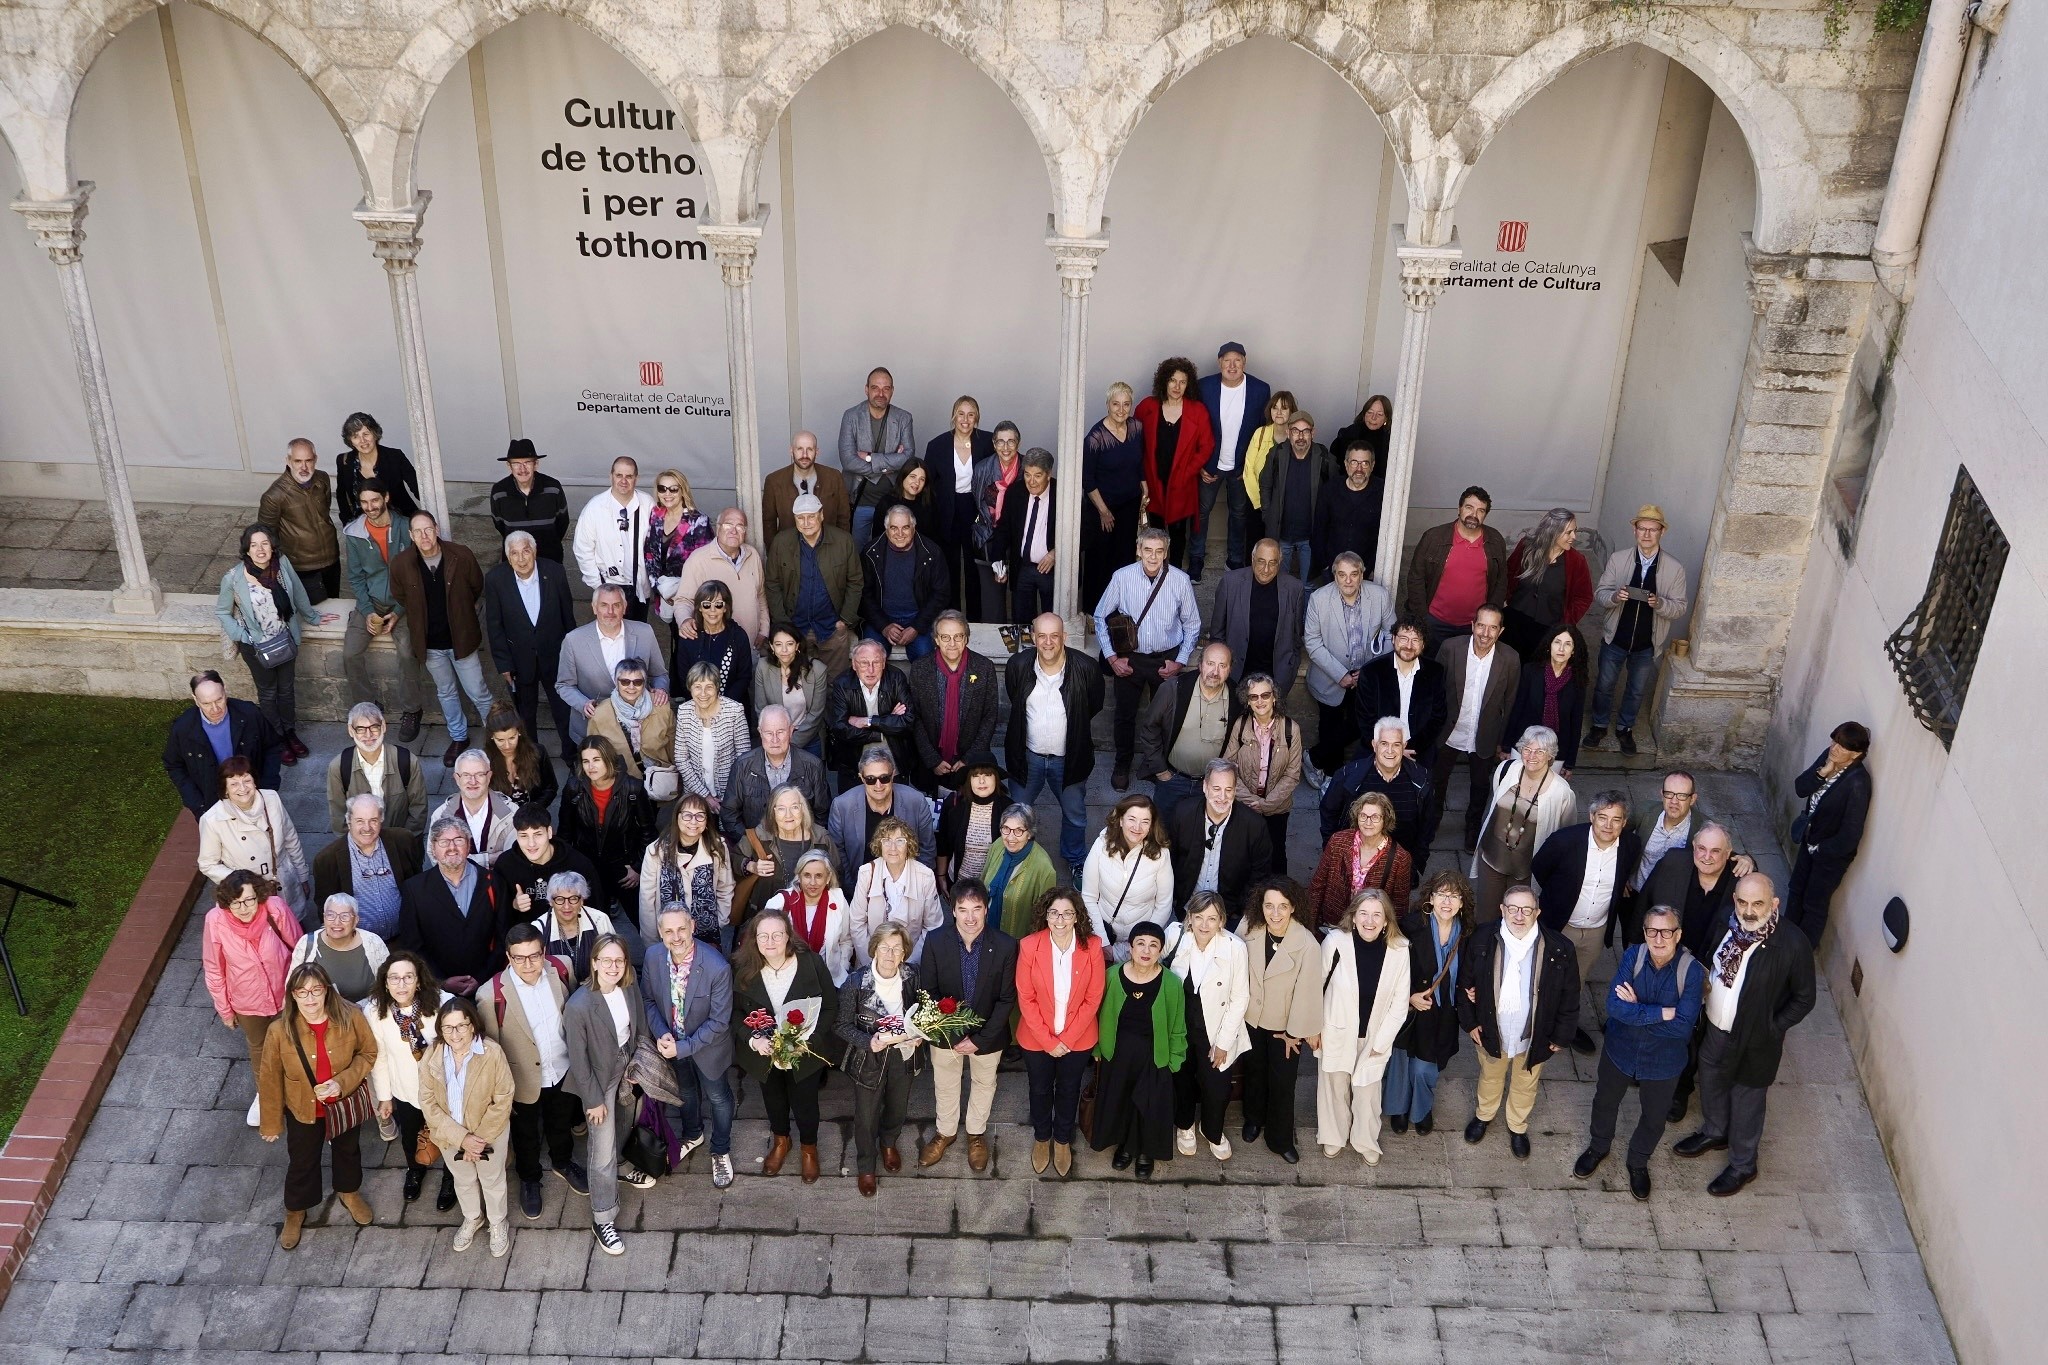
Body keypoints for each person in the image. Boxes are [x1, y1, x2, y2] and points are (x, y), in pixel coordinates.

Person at [1672, 873, 1817, 1196]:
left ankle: (1742, 1164)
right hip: (1714, 1027)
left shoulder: (1792, 943)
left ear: (1774, 904)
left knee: (1747, 1099)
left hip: (1756, 1041)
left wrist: (1773, 1027)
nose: (1749, 911)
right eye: (1743, 902)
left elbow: (1805, 998)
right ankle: (1715, 1130)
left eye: (1758, 903)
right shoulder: (1728, 924)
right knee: (1710, 1079)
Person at [1574, 905, 1705, 1200]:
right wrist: (1663, 1013)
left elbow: (1683, 1029)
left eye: (1666, 931)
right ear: (1645, 933)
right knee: (1605, 1101)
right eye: (1652, 931)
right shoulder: (1634, 956)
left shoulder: (1692, 972)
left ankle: (1638, 1162)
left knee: (1654, 1116)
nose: (1659, 939)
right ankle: (1598, 1147)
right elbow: (1614, 1008)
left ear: (1678, 934)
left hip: (1664, 1063)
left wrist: (1637, 1012)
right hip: (1620, 1051)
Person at [257, 962, 377, 1249]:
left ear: (327, 991)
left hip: (343, 1103)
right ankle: (296, 1210)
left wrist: (342, 1082)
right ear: (293, 996)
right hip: (302, 1108)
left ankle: (349, 1192)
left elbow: (368, 1052)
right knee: (302, 1160)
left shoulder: (351, 1016)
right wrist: (271, 1122)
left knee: (348, 1151)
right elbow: (270, 1078)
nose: (310, 999)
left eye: (316, 991)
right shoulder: (279, 1030)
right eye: (302, 992)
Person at [1458, 884, 1579, 1159]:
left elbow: (1570, 997)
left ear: (1537, 912)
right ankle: (1484, 1115)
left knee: (1526, 1082)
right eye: (1512, 908)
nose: (1519, 915)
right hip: (1492, 1029)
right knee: (1490, 1076)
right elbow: (1464, 985)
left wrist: (1561, 1037)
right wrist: (1469, 1023)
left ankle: (1517, 1125)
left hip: (1534, 1034)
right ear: (1502, 910)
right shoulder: (1481, 939)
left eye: (1526, 909)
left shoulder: (1560, 948)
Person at [476, 922, 587, 1219]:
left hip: (562, 1067)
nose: (529, 964)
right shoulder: (491, 995)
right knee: (525, 1133)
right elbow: (491, 1051)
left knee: (561, 1120)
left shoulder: (561, 968)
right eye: (520, 958)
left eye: (534, 956)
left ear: (544, 952)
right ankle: (529, 1179)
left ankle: (562, 1161)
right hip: (522, 1079)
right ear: (509, 958)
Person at [1640, 821, 1742, 1123]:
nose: (1707, 856)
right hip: (1665, 961)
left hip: (1706, 972)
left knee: (1690, 1033)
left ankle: (1679, 1090)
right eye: (1701, 848)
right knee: (1654, 1016)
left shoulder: (1739, 880)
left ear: (1729, 854)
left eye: (1715, 851)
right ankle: (1646, 1068)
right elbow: (1646, 903)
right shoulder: (1674, 862)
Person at [563, 932, 658, 1254]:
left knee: (625, 1120)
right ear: (594, 964)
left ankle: (621, 1165)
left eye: (619, 960)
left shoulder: (629, 986)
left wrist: (642, 1066)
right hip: (597, 1077)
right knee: (600, 1149)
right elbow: (578, 1058)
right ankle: (603, 1217)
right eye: (606, 960)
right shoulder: (579, 1006)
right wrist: (592, 1102)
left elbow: (640, 1027)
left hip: (626, 1064)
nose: (613, 966)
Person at [728, 908, 839, 1181]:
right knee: (774, 1100)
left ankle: (809, 1148)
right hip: (764, 1053)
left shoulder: (810, 963)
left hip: (804, 1051)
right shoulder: (743, 968)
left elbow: (830, 1006)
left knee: (806, 1104)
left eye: (777, 934)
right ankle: (781, 1141)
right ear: (753, 938)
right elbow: (731, 1012)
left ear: (788, 936)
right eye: (763, 935)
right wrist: (752, 1038)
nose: (770, 941)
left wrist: (809, 1040)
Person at [915, 880, 1017, 1172]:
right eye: (963, 910)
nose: (970, 917)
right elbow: (929, 991)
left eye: (977, 909)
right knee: (945, 1084)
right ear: (953, 911)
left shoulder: (1006, 945)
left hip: (989, 1035)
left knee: (984, 1084)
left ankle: (975, 1134)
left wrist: (979, 1039)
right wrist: (954, 1032)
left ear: (987, 909)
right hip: (945, 1032)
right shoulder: (935, 941)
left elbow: (1007, 998)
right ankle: (945, 1132)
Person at [1531, 791, 1643, 1054]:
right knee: (1542, 975)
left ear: (1624, 823)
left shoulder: (1630, 846)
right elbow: (1540, 867)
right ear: (1592, 816)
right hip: (1561, 925)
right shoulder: (1564, 841)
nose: (1608, 825)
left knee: (1576, 981)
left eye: (1616, 819)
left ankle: (1564, 1028)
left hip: (1596, 929)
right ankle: (1534, 1022)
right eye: (1602, 817)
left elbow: (1623, 876)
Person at [1097, 528, 1203, 790]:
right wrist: (1112, 658)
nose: (1153, 557)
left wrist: (1179, 661)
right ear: (1138, 550)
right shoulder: (1122, 577)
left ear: (1166, 553)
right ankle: (1122, 764)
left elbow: (1193, 624)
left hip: (1164, 660)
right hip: (1130, 659)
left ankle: (1157, 765)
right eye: (1148, 550)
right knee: (1124, 716)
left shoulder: (1180, 580)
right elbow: (1100, 616)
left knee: (1164, 718)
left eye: (1159, 551)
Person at [388, 512, 495, 767]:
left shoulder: (460, 555)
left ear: (436, 529)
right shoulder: (402, 564)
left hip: (462, 639)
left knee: (478, 691)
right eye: (418, 532)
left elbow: (476, 586)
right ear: (411, 536)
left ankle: (497, 737)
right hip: (431, 645)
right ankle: (459, 737)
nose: (424, 536)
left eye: (428, 529)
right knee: (446, 692)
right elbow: (401, 596)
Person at [642, 904, 738, 1186]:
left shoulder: (717, 967)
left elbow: (720, 1022)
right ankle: (693, 1133)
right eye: (668, 930)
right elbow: (648, 1000)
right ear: (660, 932)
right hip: (672, 1043)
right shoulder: (652, 956)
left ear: (693, 927)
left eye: (681, 928)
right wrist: (661, 1033)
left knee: (718, 1097)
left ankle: (720, 1149)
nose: (676, 936)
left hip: (708, 1048)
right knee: (685, 1092)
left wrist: (682, 1048)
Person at [215, 523, 327, 761]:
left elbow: (297, 592)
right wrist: (243, 636)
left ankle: (290, 733)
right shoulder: (233, 578)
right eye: (254, 545)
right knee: (268, 693)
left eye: (264, 543)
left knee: (286, 691)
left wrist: (313, 617)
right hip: (256, 647)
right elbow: (223, 612)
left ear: (272, 546)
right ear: (246, 550)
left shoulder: (282, 565)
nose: (260, 549)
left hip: (285, 639)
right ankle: (277, 739)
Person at [1314, 889, 1410, 1164]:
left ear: (1386, 921)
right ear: (1353, 917)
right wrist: (1315, 1029)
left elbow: (1399, 1004)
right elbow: (1316, 988)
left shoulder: (1399, 950)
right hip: (1335, 1030)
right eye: (1364, 914)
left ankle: (1365, 1139)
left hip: (1374, 1037)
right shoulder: (1334, 942)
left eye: (1377, 915)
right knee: (1333, 1088)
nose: (1370, 921)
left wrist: (1381, 1043)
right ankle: (1333, 1136)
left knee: (1368, 1094)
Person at [204, 870, 305, 1127]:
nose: (243, 908)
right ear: (226, 902)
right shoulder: (215, 921)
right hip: (247, 1002)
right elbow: (214, 968)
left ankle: (301, 1096)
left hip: (286, 996)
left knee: (296, 1044)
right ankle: (267, 1096)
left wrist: (300, 991)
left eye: (249, 900)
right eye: (236, 902)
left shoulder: (275, 908)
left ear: (258, 895)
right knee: (260, 1049)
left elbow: (300, 949)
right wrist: (225, 1010)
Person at [1015, 889, 1105, 1177]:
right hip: (1036, 1038)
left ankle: (1063, 1139)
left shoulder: (1092, 946)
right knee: (1039, 1089)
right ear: (1046, 915)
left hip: (1077, 1039)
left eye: (1067, 913)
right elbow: (1025, 997)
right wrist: (1047, 1041)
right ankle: (1042, 1138)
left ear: (1077, 917)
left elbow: (1094, 997)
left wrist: (1065, 1040)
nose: (1060, 919)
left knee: (1068, 1089)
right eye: (1054, 912)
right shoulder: (1030, 946)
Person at [1004, 613, 1103, 875]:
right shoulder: (1018, 665)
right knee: (1018, 815)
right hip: (1028, 757)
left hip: (1068, 759)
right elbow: (1015, 698)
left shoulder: (1086, 668)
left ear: (1064, 638)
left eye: (1054, 636)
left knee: (1075, 816)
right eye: (1042, 636)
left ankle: (1074, 859)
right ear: (1033, 637)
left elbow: (1092, 705)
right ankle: (1021, 859)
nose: (1048, 642)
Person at [1586, 505, 1689, 754]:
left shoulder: (1674, 568)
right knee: (1604, 684)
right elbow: (1600, 594)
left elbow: (1680, 608)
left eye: (1653, 529)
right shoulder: (1618, 559)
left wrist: (1660, 603)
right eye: (1642, 528)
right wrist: (1615, 597)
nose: (1647, 534)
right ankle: (1599, 726)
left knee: (1635, 690)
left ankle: (1625, 729)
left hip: (1647, 643)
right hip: (1615, 637)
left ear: (1661, 532)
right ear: (1634, 530)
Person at [1088, 920, 1188, 1180]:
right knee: (1121, 1101)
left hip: (1154, 1055)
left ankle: (1145, 1152)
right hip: (1118, 1053)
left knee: (1149, 1105)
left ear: (1160, 951)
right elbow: (1097, 1014)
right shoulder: (1111, 975)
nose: (1146, 950)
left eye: (1153, 945)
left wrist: (1175, 1060)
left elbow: (1178, 1024)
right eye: (1140, 943)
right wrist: (1097, 1047)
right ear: (1130, 948)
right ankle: (1125, 1147)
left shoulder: (1171, 983)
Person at [418, 996, 516, 1256]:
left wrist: (478, 1140)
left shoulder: (491, 1053)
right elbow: (428, 1102)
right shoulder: (432, 1056)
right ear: (440, 1030)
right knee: (463, 1180)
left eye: (461, 1026)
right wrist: (463, 1139)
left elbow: (504, 1097)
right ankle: (473, 1217)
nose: (455, 1033)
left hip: (489, 1134)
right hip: (450, 1138)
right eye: (448, 1028)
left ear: (472, 1025)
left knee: (492, 1180)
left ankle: (497, 1222)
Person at [838, 922, 928, 1195]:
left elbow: (922, 1011)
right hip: (869, 1059)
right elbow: (841, 1026)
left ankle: (888, 1143)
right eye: (885, 947)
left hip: (904, 1054)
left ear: (904, 954)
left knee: (897, 1106)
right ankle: (866, 1164)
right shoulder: (856, 983)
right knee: (866, 1115)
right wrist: (869, 1042)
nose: (890, 954)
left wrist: (921, 1034)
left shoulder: (912, 976)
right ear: (874, 949)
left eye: (897, 949)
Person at [1238, 879, 1321, 1162]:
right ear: (1260, 906)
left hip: (1284, 1028)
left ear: (1293, 908)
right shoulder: (1249, 927)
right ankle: (1253, 1119)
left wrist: (1294, 1032)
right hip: (1251, 1020)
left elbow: (1308, 991)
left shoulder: (1307, 944)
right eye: (1269, 906)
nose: (1275, 913)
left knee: (1283, 1084)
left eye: (1283, 907)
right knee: (1254, 1073)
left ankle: (1280, 1138)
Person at [1386, 871, 1474, 1135]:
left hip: (1444, 1012)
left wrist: (1474, 991)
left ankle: (1421, 1109)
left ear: (1462, 903)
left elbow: (1474, 971)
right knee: (1401, 1062)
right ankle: (1399, 1108)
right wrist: (1410, 995)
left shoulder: (1468, 933)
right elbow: (1391, 968)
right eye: (1442, 895)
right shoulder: (1411, 926)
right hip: (1412, 1008)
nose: (1447, 902)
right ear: (1430, 898)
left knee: (1425, 1067)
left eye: (1454, 896)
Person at [1163, 892, 1250, 1161]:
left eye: (1212, 918)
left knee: (1217, 1085)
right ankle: (1185, 1125)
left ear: (1222, 920)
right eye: (1198, 917)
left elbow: (1239, 997)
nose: (1204, 924)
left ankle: (1213, 1130)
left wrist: (1223, 1042)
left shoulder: (1235, 947)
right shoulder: (1175, 936)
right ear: (1189, 917)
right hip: (1181, 1025)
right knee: (1182, 1079)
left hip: (1216, 1029)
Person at [340, 480, 427, 737]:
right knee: (349, 653)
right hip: (371, 603)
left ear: (386, 497)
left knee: (407, 652)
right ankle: (367, 707)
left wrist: (398, 611)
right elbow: (355, 577)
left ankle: (412, 710)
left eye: (375, 500)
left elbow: (416, 575)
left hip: (404, 604)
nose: (370, 507)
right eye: (364, 502)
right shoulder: (354, 533)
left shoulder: (404, 527)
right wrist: (368, 611)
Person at [1432, 605, 1522, 850]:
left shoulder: (1510, 658)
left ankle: (1472, 829)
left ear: (1500, 631)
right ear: (1472, 625)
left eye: (1493, 627)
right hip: (1449, 732)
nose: (1485, 633)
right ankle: (1431, 823)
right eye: (1481, 625)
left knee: (1480, 787)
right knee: (1437, 781)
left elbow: (1510, 701)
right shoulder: (1451, 649)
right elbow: (1434, 692)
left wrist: (1502, 741)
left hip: (1484, 736)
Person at [366, 951, 449, 1209]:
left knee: (448, 1135)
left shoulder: (442, 1002)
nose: (401, 985)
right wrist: (384, 1097)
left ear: (419, 981)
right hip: (406, 1090)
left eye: (408, 977)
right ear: (386, 983)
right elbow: (379, 1057)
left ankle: (451, 1176)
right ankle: (415, 1170)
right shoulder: (376, 1011)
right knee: (410, 1135)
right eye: (394, 978)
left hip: (443, 1089)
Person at [1470, 727, 1578, 926]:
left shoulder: (1562, 793)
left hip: (1527, 870)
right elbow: (1495, 803)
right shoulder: (1506, 770)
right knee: (1484, 920)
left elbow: (1566, 835)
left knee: (1518, 921)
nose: (1531, 756)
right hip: (1493, 859)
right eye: (1527, 749)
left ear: (1550, 755)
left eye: (1540, 751)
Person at [483, 531, 578, 757]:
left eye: (526, 551)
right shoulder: (496, 579)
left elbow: (568, 616)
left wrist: (573, 656)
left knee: (563, 708)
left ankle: (571, 755)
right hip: (519, 660)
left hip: (555, 656)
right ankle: (533, 757)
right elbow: (494, 624)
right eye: (514, 553)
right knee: (525, 713)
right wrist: (504, 663)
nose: (521, 559)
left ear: (534, 551)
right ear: (508, 556)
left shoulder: (554, 572)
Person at [1303, 552, 1395, 779]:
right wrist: (1340, 674)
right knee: (1329, 726)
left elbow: (1392, 635)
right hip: (1329, 677)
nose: (1348, 580)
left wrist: (1368, 670)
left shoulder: (1380, 595)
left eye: (1354, 574)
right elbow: (1312, 642)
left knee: (1362, 723)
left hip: (1366, 675)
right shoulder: (1319, 599)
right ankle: (1331, 776)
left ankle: (1313, 758)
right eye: (1342, 575)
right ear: (1334, 575)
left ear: (1362, 574)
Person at [1784, 722, 1873, 947]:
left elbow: (1851, 834)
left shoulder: (1858, 783)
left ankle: (1800, 953)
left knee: (1814, 904)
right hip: (1810, 839)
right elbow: (1801, 788)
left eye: (1842, 746)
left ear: (1856, 754)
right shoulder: (1829, 757)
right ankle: (1782, 942)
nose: (1834, 748)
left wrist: (1821, 849)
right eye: (1834, 741)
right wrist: (1823, 772)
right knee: (1796, 890)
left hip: (1830, 855)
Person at [199, 756, 313, 925]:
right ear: (225, 790)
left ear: (255, 782)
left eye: (247, 780)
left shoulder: (272, 799)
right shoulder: (213, 820)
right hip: (247, 897)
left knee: (293, 929)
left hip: (283, 883)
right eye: (234, 784)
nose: (242, 788)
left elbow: (291, 838)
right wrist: (242, 882)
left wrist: (302, 876)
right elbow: (207, 864)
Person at [1318, 719, 1434, 877]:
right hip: (1355, 867)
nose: (1390, 751)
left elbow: (1427, 827)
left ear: (1404, 746)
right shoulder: (1348, 777)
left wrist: (1415, 864)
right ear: (1374, 745)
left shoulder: (1421, 780)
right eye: (1384, 743)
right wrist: (1334, 855)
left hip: (1398, 869)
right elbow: (1328, 814)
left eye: (1396, 744)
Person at [556, 585, 668, 748]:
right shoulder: (573, 640)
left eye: (616, 605)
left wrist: (661, 690)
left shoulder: (645, 632)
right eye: (604, 605)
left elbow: (660, 675)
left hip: (639, 729)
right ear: (594, 608)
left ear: (624, 607)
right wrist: (584, 704)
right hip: (594, 728)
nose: (610, 611)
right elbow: (564, 685)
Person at [557, 736, 659, 915]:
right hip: (588, 868)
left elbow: (648, 832)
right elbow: (565, 832)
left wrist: (637, 867)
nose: (591, 766)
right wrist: (570, 868)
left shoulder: (632, 788)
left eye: (597, 760)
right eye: (586, 761)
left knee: (644, 922)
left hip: (624, 868)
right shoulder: (574, 787)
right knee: (595, 924)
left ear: (608, 759)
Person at [1138, 640, 1239, 816]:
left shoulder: (1237, 699)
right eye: (1210, 663)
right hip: (1173, 780)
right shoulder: (1174, 689)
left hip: (1211, 786)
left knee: (1199, 836)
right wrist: (1161, 771)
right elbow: (1149, 728)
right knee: (1163, 833)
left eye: (1222, 665)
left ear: (1230, 669)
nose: (1215, 672)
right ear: (1200, 664)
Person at [766, 493, 861, 680]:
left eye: (811, 516)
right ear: (794, 519)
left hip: (832, 626)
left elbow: (855, 581)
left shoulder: (843, 541)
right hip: (795, 627)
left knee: (837, 683)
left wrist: (845, 620)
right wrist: (783, 623)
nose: (806, 522)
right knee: (797, 682)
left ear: (821, 515)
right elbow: (772, 584)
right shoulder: (781, 542)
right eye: (800, 518)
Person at [1196, 342, 1271, 577]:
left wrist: (1250, 467)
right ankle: (1197, 558)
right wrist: (1198, 464)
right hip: (1209, 464)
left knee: (1239, 513)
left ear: (1244, 362)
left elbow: (1262, 430)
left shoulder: (1260, 389)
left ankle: (1235, 560)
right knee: (1201, 512)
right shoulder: (1204, 386)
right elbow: (1194, 427)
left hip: (1241, 466)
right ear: (1219, 363)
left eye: (1237, 360)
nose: (1232, 365)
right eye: (1227, 360)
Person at [164, 670, 280, 821]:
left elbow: (273, 747)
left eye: (219, 700)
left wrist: (267, 789)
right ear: (195, 699)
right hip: (212, 804)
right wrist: (197, 804)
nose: (215, 709)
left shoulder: (250, 714)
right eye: (206, 703)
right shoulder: (183, 728)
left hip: (253, 796)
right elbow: (174, 765)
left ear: (225, 690)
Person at [1136, 357, 1216, 573]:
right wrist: (1142, 477)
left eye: (1182, 381)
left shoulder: (1197, 411)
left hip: (1182, 485)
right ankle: (1154, 575)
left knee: (1179, 535)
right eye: (1172, 380)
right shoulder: (1147, 407)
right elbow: (1136, 444)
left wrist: (1188, 473)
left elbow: (1207, 446)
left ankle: (1175, 576)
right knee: (1155, 534)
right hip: (1154, 483)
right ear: (1164, 381)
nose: (1177, 386)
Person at [1404, 486, 1509, 651]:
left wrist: (1489, 619)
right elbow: (1416, 577)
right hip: (1434, 622)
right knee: (1432, 668)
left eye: (1481, 510)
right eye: (1469, 507)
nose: (1474, 514)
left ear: (1486, 515)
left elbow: (1501, 582)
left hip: (1473, 627)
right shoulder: (1434, 537)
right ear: (1459, 508)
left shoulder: (1495, 541)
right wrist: (1422, 618)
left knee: (1462, 673)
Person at [1220, 672, 1303, 878]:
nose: (1260, 701)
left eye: (1265, 695)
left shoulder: (1291, 729)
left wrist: (1265, 804)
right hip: (1244, 804)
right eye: (1253, 697)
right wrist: (1251, 801)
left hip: (1277, 807)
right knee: (1244, 854)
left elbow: (1292, 775)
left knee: (1276, 855)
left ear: (1274, 697)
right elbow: (1228, 768)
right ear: (1247, 701)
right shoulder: (1240, 726)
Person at [1167, 761, 1275, 917]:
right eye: (1216, 789)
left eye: (1228, 789)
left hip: (1229, 913)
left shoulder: (1255, 825)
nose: (1222, 797)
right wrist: (1177, 896)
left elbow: (1260, 874)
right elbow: (1170, 858)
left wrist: (1239, 909)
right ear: (1205, 787)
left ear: (1235, 790)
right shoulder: (1183, 813)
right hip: (1187, 906)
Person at [906, 612, 999, 791]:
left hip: (970, 761)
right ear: (936, 640)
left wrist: (969, 759)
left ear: (966, 639)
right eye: (945, 637)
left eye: (958, 637)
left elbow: (990, 717)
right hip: (930, 761)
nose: (952, 643)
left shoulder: (984, 667)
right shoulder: (920, 669)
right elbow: (914, 717)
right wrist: (932, 759)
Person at [925, 396, 995, 617]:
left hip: (975, 510)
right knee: (950, 565)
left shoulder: (986, 442)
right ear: (953, 416)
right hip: (948, 510)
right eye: (961, 414)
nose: (965, 419)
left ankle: (975, 618)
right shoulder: (937, 445)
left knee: (975, 566)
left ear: (977, 418)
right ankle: (952, 616)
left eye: (971, 414)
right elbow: (929, 484)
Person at [721, 705, 832, 845]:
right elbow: (729, 814)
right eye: (768, 733)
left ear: (791, 731)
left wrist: (806, 843)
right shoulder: (742, 766)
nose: (774, 739)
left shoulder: (813, 766)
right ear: (760, 733)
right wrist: (752, 844)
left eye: (780, 732)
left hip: (801, 845)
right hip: (756, 847)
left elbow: (822, 814)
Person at [1082, 795, 1176, 960]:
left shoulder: (1161, 854)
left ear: (1151, 825)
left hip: (1140, 944)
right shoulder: (1101, 845)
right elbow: (1089, 897)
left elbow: (1164, 905)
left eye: (1145, 821)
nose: (1137, 827)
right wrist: (1103, 943)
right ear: (1120, 819)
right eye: (1132, 819)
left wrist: (1142, 942)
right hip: (1103, 933)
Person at [313, 794, 422, 935]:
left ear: (381, 819)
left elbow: (417, 885)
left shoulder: (403, 841)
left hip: (405, 936)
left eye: (373, 820)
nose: (367, 828)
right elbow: (325, 909)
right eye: (360, 821)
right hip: (360, 945)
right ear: (348, 820)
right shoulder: (327, 860)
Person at [638, 793, 735, 949]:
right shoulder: (656, 851)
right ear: (677, 818)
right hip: (669, 938)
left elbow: (726, 887)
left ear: (707, 821)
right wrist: (652, 943)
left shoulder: (717, 848)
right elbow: (647, 900)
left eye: (700, 816)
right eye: (687, 815)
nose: (693, 822)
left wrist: (720, 921)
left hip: (707, 937)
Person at [1355, 618, 1449, 777]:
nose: (1409, 645)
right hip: (1379, 749)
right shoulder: (1372, 671)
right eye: (1403, 638)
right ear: (1393, 638)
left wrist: (1410, 748)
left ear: (1423, 644)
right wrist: (1392, 749)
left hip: (1419, 750)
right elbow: (1365, 718)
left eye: (1415, 640)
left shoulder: (1435, 672)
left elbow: (1438, 717)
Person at [1082, 382, 1146, 612]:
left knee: (1125, 558)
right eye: (1116, 404)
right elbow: (1087, 480)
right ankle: (1093, 611)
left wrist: (1144, 487)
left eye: (1126, 404)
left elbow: (1140, 463)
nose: (1121, 410)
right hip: (1102, 508)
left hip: (1129, 504)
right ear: (1107, 405)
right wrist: (1103, 511)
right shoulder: (1095, 437)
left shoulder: (1137, 427)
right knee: (1100, 560)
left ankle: (1121, 610)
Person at [827, 746, 938, 876]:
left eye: (884, 778)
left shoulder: (916, 801)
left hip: (906, 883)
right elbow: (837, 853)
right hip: (859, 885)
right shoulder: (842, 806)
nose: (878, 785)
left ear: (893, 775)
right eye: (870, 779)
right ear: (861, 778)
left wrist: (916, 883)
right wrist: (853, 888)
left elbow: (927, 849)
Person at [848, 817, 945, 966]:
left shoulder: (925, 876)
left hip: (911, 962)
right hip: (871, 962)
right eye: (886, 840)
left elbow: (933, 927)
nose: (893, 848)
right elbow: (856, 923)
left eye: (900, 841)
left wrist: (908, 965)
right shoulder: (866, 873)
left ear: (909, 845)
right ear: (880, 844)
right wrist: (875, 963)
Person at [1210, 539, 1304, 690]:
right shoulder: (1230, 583)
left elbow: (1296, 636)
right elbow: (1217, 633)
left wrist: (1290, 669)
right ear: (1252, 559)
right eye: (1261, 561)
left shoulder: (1294, 588)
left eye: (1272, 563)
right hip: (1235, 674)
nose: (1266, 569)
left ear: (1280, 562)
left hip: (1276, 677)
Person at [493, 802, 606, 927]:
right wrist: (514, 904)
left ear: (549, 832)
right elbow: (497, 917)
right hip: (526, 941)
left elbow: (598, 911)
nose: (531, 844)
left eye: (538, 834)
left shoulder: (578, 864)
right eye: (524, 836)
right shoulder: (505, 865)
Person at [1309, 791, 1413, 928]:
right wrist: (1311, 925)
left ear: (1385, 820)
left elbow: (1399, 906)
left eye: (1375, 817)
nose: (1368, 822)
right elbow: (1318, 885)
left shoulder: (1400, 858)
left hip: (1370, 929)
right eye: (1363, 815)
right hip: (1334, 923)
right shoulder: (1337, 841)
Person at [1502, 508, 1594, 662]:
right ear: (1552, 531)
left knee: (1537, 670)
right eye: (1568, 532)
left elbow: (1584, 597)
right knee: (1510, 665)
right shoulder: (1526, 547)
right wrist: (1505, 601)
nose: (1574, 537)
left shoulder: (1577, 561)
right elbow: (1508, 573)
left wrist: (1566, 622)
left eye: (1574, 531)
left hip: (1549, 628)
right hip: (1515, 621)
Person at [838, 367, 916, 547]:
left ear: (892, 391)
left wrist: (868, 458)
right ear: (866, 389)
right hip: (859, 500)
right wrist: (890, 462)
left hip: (893, 500)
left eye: (886, 388)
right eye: (875, 388)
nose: (880, 393)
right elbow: (847, 460)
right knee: (858, 553)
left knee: (890, 552)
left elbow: (908, 456)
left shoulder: (903, 418)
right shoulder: (851, 416)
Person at [572, 456, 657, 620]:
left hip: (639, 586)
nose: (623, 481)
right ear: (611, 476)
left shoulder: (647, 504)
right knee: (611, 635)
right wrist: (598, 585)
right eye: (619, 475)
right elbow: (583, 549)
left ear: (636, 479)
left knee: (637, 634)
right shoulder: (595, 508)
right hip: (608, 584)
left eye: (629, 476)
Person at [258, 438, 342, 602]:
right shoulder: (274, 496)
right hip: (303, 567)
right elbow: (266, 536)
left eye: (308, 460)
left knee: (333, 603)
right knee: (313, 610)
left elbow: (324, 512)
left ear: (315, 459)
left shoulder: (322, 479)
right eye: (298, 461)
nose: (304, 467)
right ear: (288, 461)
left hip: (331, 560)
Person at [327, 702, 428, 837]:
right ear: (351, 731)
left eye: (374, 727)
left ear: (384, 726)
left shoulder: (407, 761)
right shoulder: (338, 767)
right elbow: (338, 815)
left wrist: (404, 843)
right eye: (360, 729)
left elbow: (418, 809)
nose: (368, 735)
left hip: (401, 843)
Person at [675, 507, 771, 649]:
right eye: (728, 525)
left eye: (740, 526)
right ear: (718, 528)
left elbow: (760, 596)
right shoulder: (698, 559)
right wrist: (685, 620)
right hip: (714, 647)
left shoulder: (753, 555)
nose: (734, 530)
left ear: (745, 531)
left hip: (751, 645)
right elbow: (683, 600)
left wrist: (764, 630)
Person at [1258, 411, 1335, 584]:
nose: (1300, 436)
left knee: (1309, 584)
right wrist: (1268, 514)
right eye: (1295, 431)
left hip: (1310, 536)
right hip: (1281, 534)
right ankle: (1286, 612)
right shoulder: (1277, 454)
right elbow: (1265, 484)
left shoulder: (1323, 457)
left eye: (1305, 431)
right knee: (1282, 582)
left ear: (1313, 433)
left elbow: (1334, 492)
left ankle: (1308, 612)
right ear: (1288, 433)